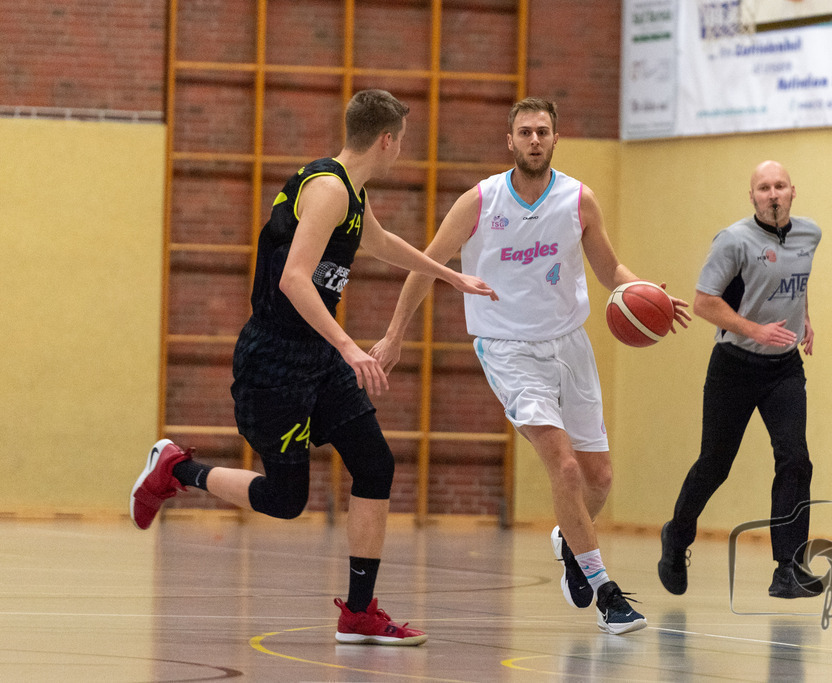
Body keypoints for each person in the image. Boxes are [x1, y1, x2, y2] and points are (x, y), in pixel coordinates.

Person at [130, 89, 497, 646]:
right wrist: (350, 346)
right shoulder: (328, 190)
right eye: (402, 141)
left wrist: (450, 276)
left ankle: (359, 613)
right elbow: (293, 279)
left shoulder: (352, 191)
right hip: (274, 360)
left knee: (374, 464)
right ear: (387, 140)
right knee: (286, 500)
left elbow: (380, 242)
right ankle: (177, 469)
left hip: (317, 357)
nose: (402, 149)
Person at [370, 97, 691, 635]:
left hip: (570, 345)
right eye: (525, 132)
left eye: (543, 131)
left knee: (599, 478)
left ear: (556, 139)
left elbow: (609, 268)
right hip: (508, 348)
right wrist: (394, 335)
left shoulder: (579, 200)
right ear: (510, 141)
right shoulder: (480, 201)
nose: (535, 140)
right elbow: (425, 267)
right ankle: (607, 596)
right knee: (564, 467)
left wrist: (643, 291)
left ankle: (570, 542)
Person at [658, 160, 823, 600]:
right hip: (734, 365)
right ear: (752, 197)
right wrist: (755, 330)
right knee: (715, 465)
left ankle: (788, 568)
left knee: (795, 458)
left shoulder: (810, 234)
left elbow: (796, 279)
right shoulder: (733, 241)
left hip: (784, 367)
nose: (773, 194)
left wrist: (804, 317)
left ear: (793, 192)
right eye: (764, 188)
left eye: (780, 186)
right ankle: (676, 535)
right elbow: (703, 303)